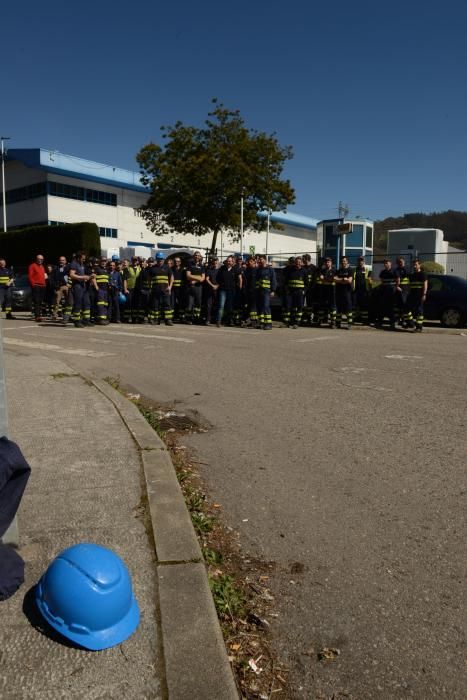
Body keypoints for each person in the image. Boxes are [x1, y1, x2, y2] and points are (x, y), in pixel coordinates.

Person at [69, 252, 94, 328]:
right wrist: (83, 277)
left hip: (83, 286)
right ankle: (77, 321)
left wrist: (90, 277)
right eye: (82, 259)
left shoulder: (82, 264)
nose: (84, 260)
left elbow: (83, 275)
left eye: (84, 259)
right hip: (77, 286)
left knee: (86, 303)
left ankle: (86, 320)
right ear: (78, 258)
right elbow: (72, 275)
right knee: (78, 304)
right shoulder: (74, 264)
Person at [148, 252, 173, 325]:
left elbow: (171, 277)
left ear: (164, 259)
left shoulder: (167, 268)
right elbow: (149, 279)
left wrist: (170, 287)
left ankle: (168, 320)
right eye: (158, 259)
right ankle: (156, 320)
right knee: (156, 305)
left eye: (161, 259)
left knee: (167, 305)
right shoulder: (153, 268)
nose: (160, 260)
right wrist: (150, 287)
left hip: (165, 290)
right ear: (156, 259)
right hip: (155, 290)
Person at [284, 256, 307, 328]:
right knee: (291, 307)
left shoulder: (304, 271)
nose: (298, 263)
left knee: (299, 307)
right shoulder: (291, 270)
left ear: (301, 263)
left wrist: (304, 291)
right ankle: (290, 322)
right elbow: (286, 281)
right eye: (297, 262)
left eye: (299, 262)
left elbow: (307, 283)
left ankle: (297, 322)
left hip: (300, 292)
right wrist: (287, 290)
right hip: (291, 291)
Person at [376, 259, 398, 330]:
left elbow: (398, 279)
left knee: (390, 308)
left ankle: (392, 323)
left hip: (391, 292)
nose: (386, 265)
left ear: (390, 264)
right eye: (385, 264)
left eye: (387, 263)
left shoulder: (394, 271)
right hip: (383, 291)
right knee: (382, 307)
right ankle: (380, 322)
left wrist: (396, 287)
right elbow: (382, 280)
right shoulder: (383, 272)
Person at [406, 259, 428, 332]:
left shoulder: (422, 274)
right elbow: (410, 285)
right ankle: (411, 323)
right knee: (406, 308)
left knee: (419, 311)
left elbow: (425, 285)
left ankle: (419, 327)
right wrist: (408, 293)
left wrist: (424, 294)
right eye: (414, 265)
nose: (414, 266)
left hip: (419, 295)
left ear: (419, 265)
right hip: (412, 295)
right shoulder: (412, 275)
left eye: (416, 264)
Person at [256, 255, 277, 330]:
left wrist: (273, 290)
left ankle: (268, 323)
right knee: (260, 307)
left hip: (266, 291)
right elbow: (257, 281)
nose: (259, 261)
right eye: (259, 260)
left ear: (265, 260)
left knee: (266, 306)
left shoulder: (270, 269)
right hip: (259, 291)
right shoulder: (258, 269)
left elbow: (273, 280)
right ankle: (262, 323)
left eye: (261, 259)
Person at [215, 256, 237, 327]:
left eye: (230, 261)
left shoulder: (235, 270)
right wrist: (221, 285)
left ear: (232, 262)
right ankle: (218, 321)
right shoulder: (222, 269)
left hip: (231, 291)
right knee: (221, 306)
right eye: (228, 261)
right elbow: (218, 278)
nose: (228, 262)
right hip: (223, 290)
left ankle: (228, 321)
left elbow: (237, 280)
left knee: (229, 307)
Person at [185, 251, 205, 324]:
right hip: (190, 287)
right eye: (195, 255)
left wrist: (195, 280)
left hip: (198, 287)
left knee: (198, 304)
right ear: (193, 256)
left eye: (198, 255)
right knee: (189, 304)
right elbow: (188, 276)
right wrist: (198, 277)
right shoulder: (189, 265)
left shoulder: (202, 266)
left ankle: (197, 318)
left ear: (200, 257)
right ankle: (188, 319)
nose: (197, 257)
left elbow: (203, 278)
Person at [334, 256, 353, 329]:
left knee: (348, 308)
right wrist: (343, 279)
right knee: (339, 308)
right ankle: (338, 323)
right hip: (339, 292)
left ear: (347, 262)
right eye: (342, 261)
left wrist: (340, 280)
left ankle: (349, 324)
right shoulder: (338, 270)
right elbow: (335, 279)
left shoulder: (350, 270)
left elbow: (349, 281)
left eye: (344, 261)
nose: (343, 262)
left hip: (347, 292)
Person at [352, 256, 372, 324]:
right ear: (357, 262)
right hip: (356, 290)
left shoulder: (367, 269)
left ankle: (365, 320)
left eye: (362, 261)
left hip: (364, 290)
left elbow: (370, 279)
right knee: (355, 305)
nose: (360, 262)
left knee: (364, 306)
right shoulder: (354, 270)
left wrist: (370, 281)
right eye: (359, 261)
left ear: (364, 262)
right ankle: (354, 319)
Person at [28, 254, 47, 322]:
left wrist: (44, 284)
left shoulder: (42, 266)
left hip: (42, 286)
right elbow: (30, 276)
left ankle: (39, 315)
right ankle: (37, 316)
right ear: (36, 259)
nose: (40, 260)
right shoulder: (32, 266)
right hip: (36, 286)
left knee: (40, 302)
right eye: (39, 259)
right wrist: (34, 285)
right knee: (37, 301)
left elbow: (43, 276)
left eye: (42, 259)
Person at [318, 257, 336, 327]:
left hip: (332, 290)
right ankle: (321, 320)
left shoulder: (334, 270)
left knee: (332, 306)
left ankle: (333, 321)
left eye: (328, 262)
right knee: (322, 305)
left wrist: (325, 279)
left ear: (331, 263)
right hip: (324, 290)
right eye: (326, 262)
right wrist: (329, 279)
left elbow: (334, 279)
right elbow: (321, 278)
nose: (327, 263)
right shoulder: (322, 270)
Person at [92, 256, 110, 325]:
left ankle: (104, 318)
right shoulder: (97, 268)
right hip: (100, 290)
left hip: (106, 290)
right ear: (100, 261)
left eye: (105, 261)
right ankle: (101, 319)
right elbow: (93, 278)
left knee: (105, 304)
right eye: (102, 261)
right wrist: (96, 287)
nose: (103, 262)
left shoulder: (106, 269)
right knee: (100, 304)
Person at [394, 256, 410, 326]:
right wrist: (397, 286)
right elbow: (398, 278)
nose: (401, 263)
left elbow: (406, 278)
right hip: (398, 290)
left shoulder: (407, 269)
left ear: (404, 262)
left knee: (404, 305)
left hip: (405, 290)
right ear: (397, 263)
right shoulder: (396, 270)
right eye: (399, 262)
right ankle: (397, 320)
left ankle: (404, 320)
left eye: (402, 261)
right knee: (398, 306)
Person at [202, 257, 219, 325]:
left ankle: (216, 319)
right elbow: (207, 279)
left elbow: (222, 279)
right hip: (210, 289)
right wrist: (212, 285)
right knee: (209, 305)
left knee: (217, 305)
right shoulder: (209, 270)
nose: (215, 262)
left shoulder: (220, 270)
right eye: (214, 261)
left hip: (218, 289)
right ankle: (208, 320)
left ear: (218, 261)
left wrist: (217, 286)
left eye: (216, 261)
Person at [242, 257, 259, 328]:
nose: (249, 263)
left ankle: (254, 322)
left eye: (251, 261)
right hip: (248, 291)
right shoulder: (246, 270)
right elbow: (245, 281)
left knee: (254, 308)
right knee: (249, 307)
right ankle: (250, 321)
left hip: (255, 291)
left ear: (254, 262)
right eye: (248, 261)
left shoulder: (257, 270)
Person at [171, 257, 186, 323]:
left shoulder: (184, 269)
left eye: (178, 261)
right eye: (175, 261)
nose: (176, 262)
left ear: (180, 262)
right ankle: (172, 317)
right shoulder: (171, 269)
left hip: (181, 289)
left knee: (181, 303)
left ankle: (181, 317)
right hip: (173, 289)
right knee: (172, 303)